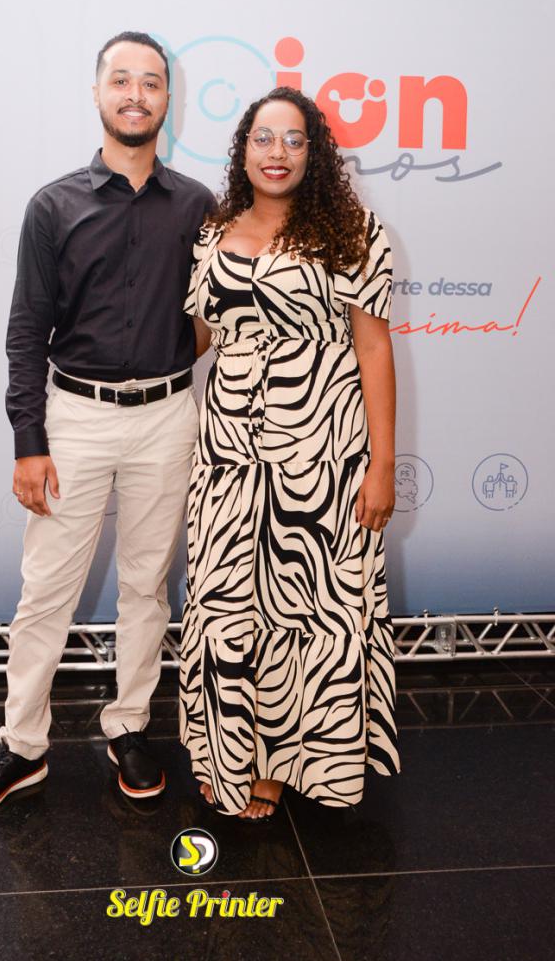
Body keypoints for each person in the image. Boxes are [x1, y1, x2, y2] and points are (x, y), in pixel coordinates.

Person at [0, 31, 215, 817]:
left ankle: (128, 727)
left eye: (151, 82)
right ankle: (22, 748)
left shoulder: (198, 206)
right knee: (45, 593)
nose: (136, 94)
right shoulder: (53, 205)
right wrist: (29, 442)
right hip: (75, 420)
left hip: (167, 418)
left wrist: (168, 359)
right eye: (121, 80)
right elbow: (27, 330)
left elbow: (211, 316)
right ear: (98, 94)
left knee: (147, 588)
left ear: (168, 100)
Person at [179, 86, 401, 820]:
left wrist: (382, 465)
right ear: (243, 150)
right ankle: (228, 757)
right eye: (264, 138)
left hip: (322, 459)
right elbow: (200, 337)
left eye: (294, 140)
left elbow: (374, 350)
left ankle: (280, 769)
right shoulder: (213, 234)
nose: (277, 153)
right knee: (225, 605)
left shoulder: (352, 232)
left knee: (304, 612)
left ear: (315, 153)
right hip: (228, 458)